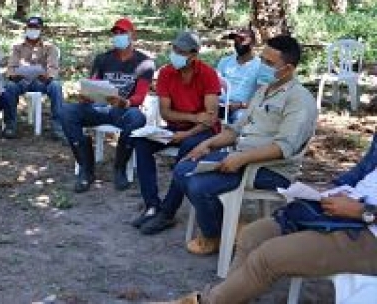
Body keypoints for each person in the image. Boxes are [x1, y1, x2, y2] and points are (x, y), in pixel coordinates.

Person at [154, 133, 377, 304]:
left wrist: (361, 211)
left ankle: (207, 301)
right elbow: (362, 172)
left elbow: (284, 145)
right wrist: (329, 189)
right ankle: (227, 298)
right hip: (343, 210)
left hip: (367, 231)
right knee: (252, 235)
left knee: (268, 258)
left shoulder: (298, 99)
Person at [174, 35, 317, 255]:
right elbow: (236, 130)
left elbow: (283, 148)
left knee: (198, 185)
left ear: (288, 69)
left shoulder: (300, 100)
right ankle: (229, 228)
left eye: (270, 64)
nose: (263, 66)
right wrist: (208, 144)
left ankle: (213, 236)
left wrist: (241, 159)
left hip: (270, 169)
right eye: (262, 60)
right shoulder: (263, 91)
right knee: (183, 169)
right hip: (241, 158)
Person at [133, 30, 221, 235]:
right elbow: (165, 111)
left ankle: (167, 212)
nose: (176, 54)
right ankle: (152, 204)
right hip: (176, 127)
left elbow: (210, 119)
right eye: (174, 49)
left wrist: (188, 132)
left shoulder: (207, 74)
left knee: (188, 149)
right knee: (141, 143)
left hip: (203, 132)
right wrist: (192, 118)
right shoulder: (166, 73)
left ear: (193, 55)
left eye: (181, 51)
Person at [60, 18, 154, 193]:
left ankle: (120, 168)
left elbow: (140, 96)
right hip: (97, 108)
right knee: (67, 112)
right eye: (116, 33)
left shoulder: (144, 63)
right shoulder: (103, 59)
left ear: (132, 35)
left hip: (121, 110)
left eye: (123, 33)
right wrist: (87, 96)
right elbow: (93, 83)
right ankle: (85, 168)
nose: (118, 36)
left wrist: (125, 102)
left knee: (137, 118)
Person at [4, 16, 65, 141]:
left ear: (41, 29)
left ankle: (57, 127)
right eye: (30, 27)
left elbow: (53, 67)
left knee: (56, 86)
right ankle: (10, 124)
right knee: (9, 87)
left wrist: (48, 76)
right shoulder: (17, 47)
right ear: (26, 28)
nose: (32, 30)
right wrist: (14, 75)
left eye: (35, 27)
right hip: (22, 81)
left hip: (40, 81)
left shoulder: (50, 48)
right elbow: (11, 67)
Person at [216, 27, 263, 123]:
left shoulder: (260, 67)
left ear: (252, 43)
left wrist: (239, 105)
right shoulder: (225, 61)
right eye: (236, 39)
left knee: (241, 118)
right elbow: (214, 85)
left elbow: (260, 97)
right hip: (219, 105)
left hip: (241, 109)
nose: (238, 43)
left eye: (242, 39)